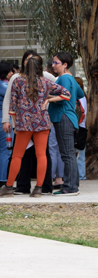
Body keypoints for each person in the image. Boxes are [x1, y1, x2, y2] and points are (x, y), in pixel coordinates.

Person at [0, 55, 70, 198]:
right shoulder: (46, 82)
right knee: (41, 155)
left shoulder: (18, 81)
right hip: (42, 123)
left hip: (24, 123)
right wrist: (49, 100)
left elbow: (12, 107)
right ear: (40, 68)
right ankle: (39, 188)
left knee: (17, 156)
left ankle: (9, 187)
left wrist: (15, 124)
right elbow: (66, 94)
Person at [49, 52, 85, 196]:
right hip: (69, 118)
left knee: (67, 154)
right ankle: (72, 185)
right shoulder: (71, 78)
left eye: (56, 63)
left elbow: (64, 98)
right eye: (53, 62)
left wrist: (47, 96)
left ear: (65, 65)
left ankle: (70, 188)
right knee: (69, 153)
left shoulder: (63, 78)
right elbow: (80, 94)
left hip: (63, 116)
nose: (53, 65)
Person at [0, 61, 18, 188]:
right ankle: (2, 182)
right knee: (5, 151)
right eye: (11, 71)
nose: (13, 73)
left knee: (6, 151)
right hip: (3, 122)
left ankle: (5, 180)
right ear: (5, 73)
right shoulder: (2, 86)